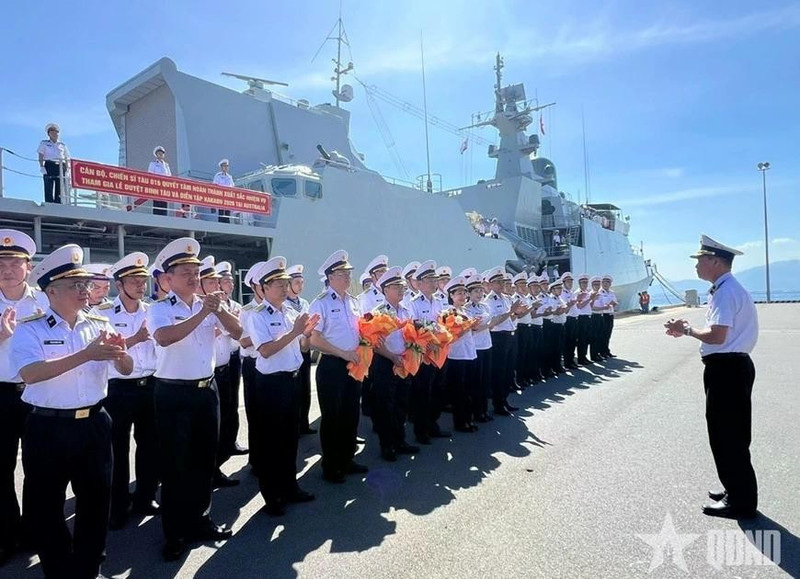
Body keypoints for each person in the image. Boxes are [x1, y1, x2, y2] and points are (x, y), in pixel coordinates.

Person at [12, 244, 133, 579]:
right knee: (47, 505)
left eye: (84, 284)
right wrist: (87, 354)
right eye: (74, 285)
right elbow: (30, 374)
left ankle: (89, 566)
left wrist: (120, 355)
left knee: (96, 501)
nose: (84, 290)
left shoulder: (98, 322)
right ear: (51, 290)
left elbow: (125, 367)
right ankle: (58, 567)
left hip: (93, 423)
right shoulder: (31, 327)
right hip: (48, 428)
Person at [147, 238, 242, 560]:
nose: (192, 276)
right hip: (173, 393)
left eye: (196, 271)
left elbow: (239, 332)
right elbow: (165, 337)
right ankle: (174, 533)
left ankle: (200, 519)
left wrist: (219, 311)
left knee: (203, 460)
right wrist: (204, 312)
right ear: (168, 279)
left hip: (206, 390)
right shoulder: (159, 308)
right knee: (175, 466)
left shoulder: (210, 303)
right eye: (184, 271)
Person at [664, 235, 759, 519]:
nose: (696, 265)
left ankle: (741, 502)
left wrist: (687, 330)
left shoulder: (726, 292)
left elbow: (718, 336)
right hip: (731, 367)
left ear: (715, 261)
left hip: (727, 369)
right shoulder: (724, 288)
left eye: (700, 260)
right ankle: (735, 489)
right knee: (729, 433)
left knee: (728, 435)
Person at [247, 257, 320, 515]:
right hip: (271, 384)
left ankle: (290, 486)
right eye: (277, 283)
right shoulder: (257, 316)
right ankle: (272, 495)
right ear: (264, 288)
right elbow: (265, 350)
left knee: (291, 438)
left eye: (285, 283)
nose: (283, 287)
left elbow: (302, 348)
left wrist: (307, 334)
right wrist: (294, 332)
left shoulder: (291, 313)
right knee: (272, 441)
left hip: (292, 380)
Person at [104, 252, 160, 531]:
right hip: (118, 389)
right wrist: (135, 338)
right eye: (134, 280)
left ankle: (145, 498)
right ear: (119, 285)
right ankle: (118, 504)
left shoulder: (154, 310)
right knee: (117, 448)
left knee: (150, 446)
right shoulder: (104, 313)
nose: (141, 285)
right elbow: (104, 348)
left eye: (143, 279)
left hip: (149, 384)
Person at [0, 230, 41, 565]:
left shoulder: (44, 302)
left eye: (15, 262)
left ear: (29, 266)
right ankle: (6, 534)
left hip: (35, 394)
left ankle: (33, 530)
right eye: (1, 262)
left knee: (39, 467)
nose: (7, 269)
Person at [308, 250, 366, 484]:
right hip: (332, 365)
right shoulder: (320, 303)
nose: (347, 278)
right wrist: (343, 353)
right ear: (330, 277)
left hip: (355, 363)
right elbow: (314, 338)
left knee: (351, 414)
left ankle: (347, 458)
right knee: (333, 416)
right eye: (342, 273)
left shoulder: (353, 302)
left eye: (349, 273)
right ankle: (331, 465)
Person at [197, 256, 239, 489]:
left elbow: (236, 331)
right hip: (202, 376)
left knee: (221, 423)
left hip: (222, 370)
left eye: (217, 282)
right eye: (211, 282)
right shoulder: (194, 307)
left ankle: (216, 468)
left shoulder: (220, 307)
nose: (218, 286)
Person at [371, 267, 419, 462]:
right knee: (386, 405)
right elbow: (373, 343)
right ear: (385, 290)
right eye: (396, 287)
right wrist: (391, 357)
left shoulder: (405, 310)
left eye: (402, 286)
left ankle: (400, 440)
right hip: (385, 362)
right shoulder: (378, 313)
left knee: (401, 404)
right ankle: (387, 445)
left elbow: (409, 336)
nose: (401, 290)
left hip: (403, 361)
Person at [408, 260, 451, 443]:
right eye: (430, 279)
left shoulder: (440, 301)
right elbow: (412, 326)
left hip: (439, 353)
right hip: (423, 355)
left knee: (438, 391)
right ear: (419, 283)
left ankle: (433, 424)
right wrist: (428, 342)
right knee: (422, 393)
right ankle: (421, 430)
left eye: (435, 279)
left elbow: (443, 325)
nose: (434, 283)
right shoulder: (413, 303)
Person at [216, 261, 248, 455]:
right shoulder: (216, 306)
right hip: (220, 358)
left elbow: (239, 330)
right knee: (220, 406)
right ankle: (220, 444)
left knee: (233, 402)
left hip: (234, 358)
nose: (231, 284)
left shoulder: (235, 305)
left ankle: (231, 441)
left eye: (232, 281)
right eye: (227, 281)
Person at [443, 276, 479, 433]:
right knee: (459, 391)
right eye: (459, 293)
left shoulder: (466, 311)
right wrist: (466, 327)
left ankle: (468, 419)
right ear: (451, 295)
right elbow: (449, 336)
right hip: (456, 356)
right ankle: (460, 422)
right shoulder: (447, 313)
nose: (463, 296)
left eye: (464, 293)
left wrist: (473, 325)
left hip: (469, 353)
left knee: (469, 389)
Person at [484, 267, 520, 415]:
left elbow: (509, 318)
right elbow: (494, 322)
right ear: (491, 284)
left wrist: (516, 312)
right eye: (498, 282)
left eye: (503, 281)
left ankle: (504, 400)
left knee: (507, 371)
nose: (501, 284)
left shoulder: (506, 298)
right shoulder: (489, 300)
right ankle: (498, 404)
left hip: (509, 335)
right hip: (498, 337)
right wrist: (511, 311)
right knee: (499, 372)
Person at [285, 264, 316, 435]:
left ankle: (304, 422)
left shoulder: (304, 303)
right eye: (297, 282)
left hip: (305, 348)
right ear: (288, 284)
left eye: (301, 282)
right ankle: (295, 425)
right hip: (291, 349)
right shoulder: (283, 304)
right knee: (294, 391)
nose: (300, 286)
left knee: (305, 388)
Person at [37, 123, 70, 204]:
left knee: (60, 186)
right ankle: (49, 203)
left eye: (56, 132)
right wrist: (41, 166)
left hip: (61, 166)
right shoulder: (44, 143)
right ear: (48, 134)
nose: (55, 133)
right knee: (48, 185)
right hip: (49, 164)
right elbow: (40, 154)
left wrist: (68, 169)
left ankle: (58, 203)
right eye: (52, 131)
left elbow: (67, 157)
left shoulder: (62, 145)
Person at [560, 272, 580, 370]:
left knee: (573, 341)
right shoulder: (563, 294)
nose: (570, 283)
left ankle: (571, 360)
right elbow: (565, 309)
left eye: (571, 281)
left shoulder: (571, 292)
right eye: (568, 281)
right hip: (568, 320)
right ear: (564, 282)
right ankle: (568, 362)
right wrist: (571, 303)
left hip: (574, 319)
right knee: (568, 342)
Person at [574, 274, 593, 365]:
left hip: (588, 317)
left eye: (586, 282)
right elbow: (580, 306)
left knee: (586, 338)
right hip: (581, 318)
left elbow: (590, 306)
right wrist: (590, 299)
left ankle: (584, 356)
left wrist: (592, 299)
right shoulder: (578, 293)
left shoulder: (588, 292)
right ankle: (581, 358)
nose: (585, 284)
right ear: (579, 283)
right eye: (583, 283)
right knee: (581, 339)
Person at [148, 146, 171, 216]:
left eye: (162, 153)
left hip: (164, 188)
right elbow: (150, 175)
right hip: (156, 188)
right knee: (157, 206)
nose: (161, 154)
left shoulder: (166, 165)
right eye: (159, 153)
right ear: (156, 154)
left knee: (164, 207)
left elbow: (169, 176)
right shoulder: (153, 164)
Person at [600, 275, 618, 358]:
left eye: (607, 282)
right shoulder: (599, 292)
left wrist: (613, 304)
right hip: (603, 315)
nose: (605, 284)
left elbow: (615, 302)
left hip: (610, 314)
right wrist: (607, 305)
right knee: (602, 334)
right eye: (604, 282)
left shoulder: (612, 292)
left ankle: (606, 350)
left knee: (608, 334)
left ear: (610, 284)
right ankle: (602, 352)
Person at [213, 159, 234, 223]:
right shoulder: (218, 176)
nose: (226, 167)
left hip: (228, 197)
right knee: (221, 213)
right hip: (221, 197)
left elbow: (232, 187)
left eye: (227, 166)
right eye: (224, 166)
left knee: (227, 214)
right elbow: (214, 186)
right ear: (221, 167)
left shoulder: (230, 177)